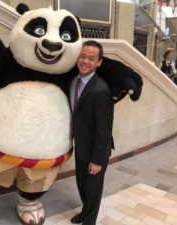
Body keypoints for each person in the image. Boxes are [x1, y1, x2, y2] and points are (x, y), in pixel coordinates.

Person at [70, 40, 114, 225]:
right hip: (82, 145)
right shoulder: (73, 80)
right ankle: (85, 212)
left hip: (96, 149)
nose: (85, 61)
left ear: (99, 62)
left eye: (91, 58)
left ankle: (89, 221)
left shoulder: (100, 90)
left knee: (93, 189)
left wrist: (97, 160)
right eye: (83, 56)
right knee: (82, 185)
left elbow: (104, 130)